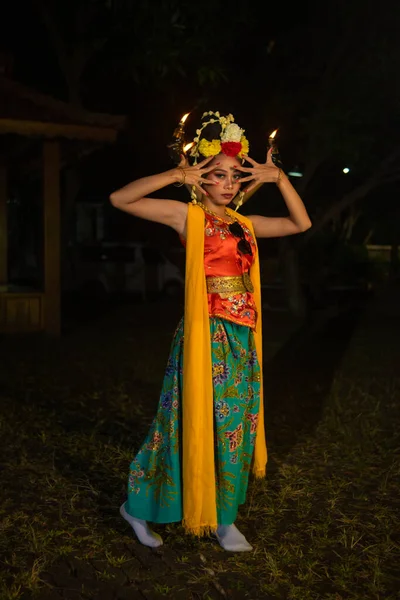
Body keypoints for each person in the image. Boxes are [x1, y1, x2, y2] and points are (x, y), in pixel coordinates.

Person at [110, 111, 311, 552]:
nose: (228, 183)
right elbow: (119, 199)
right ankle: (139, 508)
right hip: (205, 336)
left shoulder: (245, 225)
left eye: (235, 176)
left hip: (242, 338)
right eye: (217, 174)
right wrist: (174, 173)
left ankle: (225, 518)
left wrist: (279, 178)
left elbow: (301, 224)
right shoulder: (188, 217)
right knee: (181, 422)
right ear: (201, 180)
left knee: (235, 425)